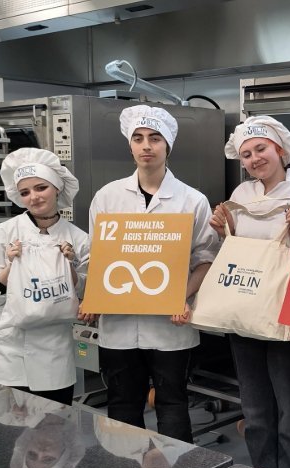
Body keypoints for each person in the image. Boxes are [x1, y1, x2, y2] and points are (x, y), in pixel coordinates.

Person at [82, 105, 220, 442]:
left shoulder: (192, 200)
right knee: (123, 406)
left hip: (170, 325)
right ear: (130, 146)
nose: (147, 146)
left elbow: (207, 259)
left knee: (172, 405)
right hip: (119, 323)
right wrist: (92, 296)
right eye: (139, 138)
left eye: (155, 138)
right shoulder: (107, 197)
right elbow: (95, 258)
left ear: (167, 146)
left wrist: (182, 296)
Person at [210, 116, 290, 468]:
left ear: (280, 150)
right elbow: (238, 252)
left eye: (261, 149)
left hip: (287, 312)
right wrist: (224, 230)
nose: (254, 159)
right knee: (254, 409)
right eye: (247, 154)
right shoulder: (241, 195)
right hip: (244, 309)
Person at [0, 148, 89, 405]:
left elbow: (88, 293)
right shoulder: (2, 234)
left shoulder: (78, 239)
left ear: (57, 188)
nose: (34, 197)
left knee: (54, 435)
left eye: (41, 188)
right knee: (4, 437)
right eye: (25, 192)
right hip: (5, 354)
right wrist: (10, 267)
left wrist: (68, 267)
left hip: (53, 357)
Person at [0, 379, 86, 468]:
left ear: (26, 445)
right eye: (48, 459)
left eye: (32, 454)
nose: (41, 451)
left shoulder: (6, 414)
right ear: (64, 452)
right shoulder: (85, 409)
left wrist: (10, 391)